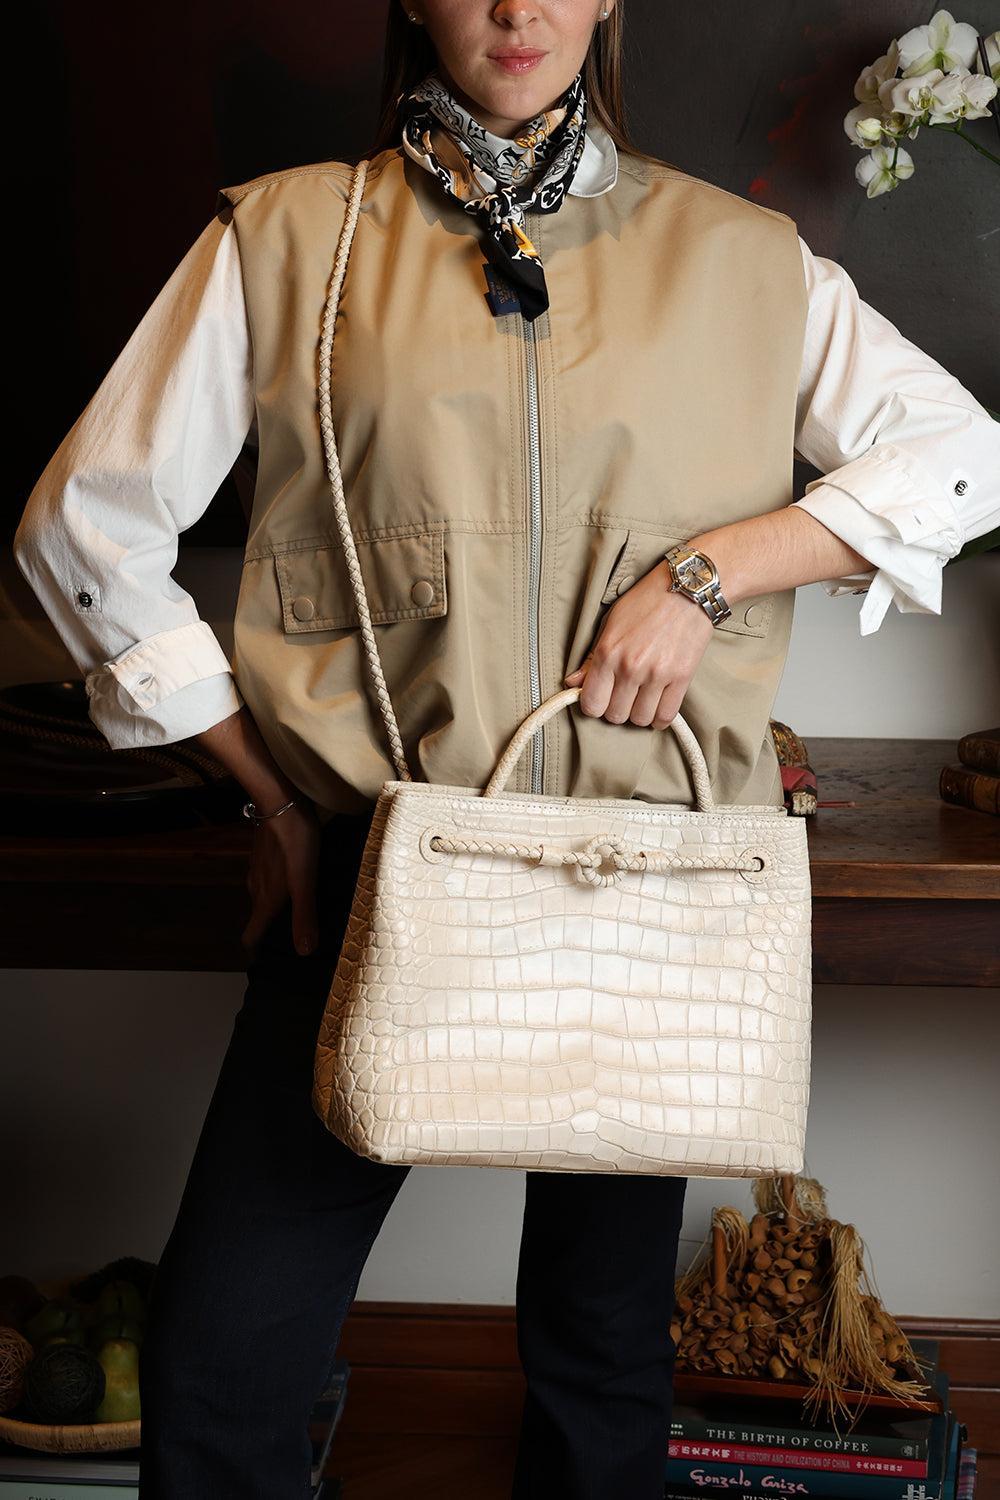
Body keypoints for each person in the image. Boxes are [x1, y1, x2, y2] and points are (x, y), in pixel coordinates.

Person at [13, 3, 999, 1497]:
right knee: (224, 1363)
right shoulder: (286, 237)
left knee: (602, 1366)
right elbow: (83, 530)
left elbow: (964, 457)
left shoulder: (743, 257)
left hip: (647, 879)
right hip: (376, 865)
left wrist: (709, 572)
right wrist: (272, 799)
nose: (518, 12)